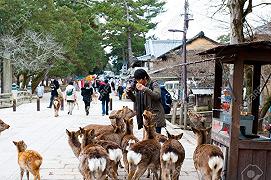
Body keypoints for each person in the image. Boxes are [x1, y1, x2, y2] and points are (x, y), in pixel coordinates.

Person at [126, 69, 165, 133]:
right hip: (145, 117)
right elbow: (135, 100)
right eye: (136, 80)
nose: (137, 81)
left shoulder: (154, 84)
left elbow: (157, 96)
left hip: (155, 116)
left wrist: (145, 89)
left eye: (139, 80)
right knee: (147, 139)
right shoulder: (138, 86)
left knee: (156, 139)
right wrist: (129, 92)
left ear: (145, 78)